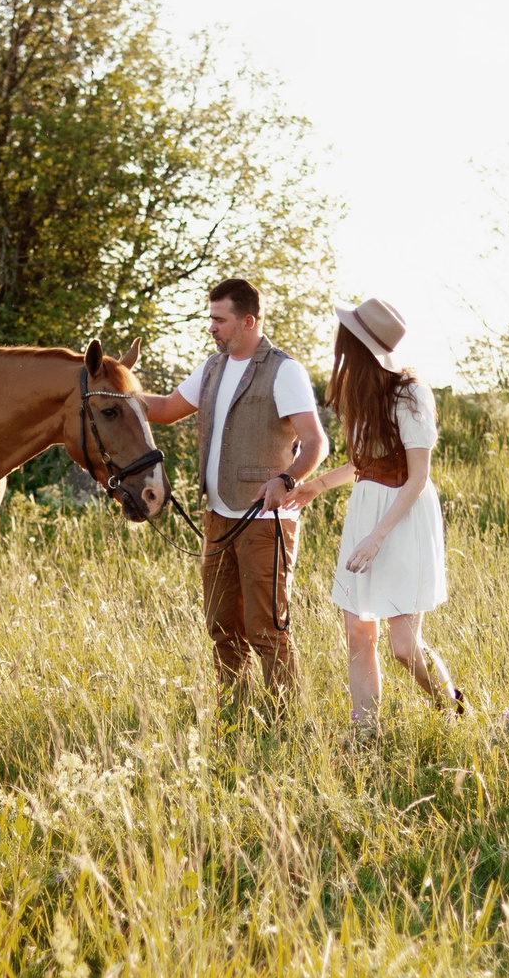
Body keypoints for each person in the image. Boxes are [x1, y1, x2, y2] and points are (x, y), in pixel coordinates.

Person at [138, 278, 327, 696]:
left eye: (219, 320)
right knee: (222, 626)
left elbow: (316, 442)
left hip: (264, 522)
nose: (212, 328)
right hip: (217, 520)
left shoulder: (284, 370)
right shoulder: (212, 367)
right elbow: (168, 410)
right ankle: (235, 713)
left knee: (267, 631)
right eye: (211, 319)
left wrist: (286, 479)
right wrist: (117, 392)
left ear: (248, 320)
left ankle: (284, 724)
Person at [284, 297, 467, 727]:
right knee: (358, 633)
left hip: (402, 518)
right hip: (366, 511)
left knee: (404, 647)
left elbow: (417, 475)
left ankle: (453, 707)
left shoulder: (411, 394)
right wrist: (317, 485)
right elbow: (364, 463)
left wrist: (377, 537)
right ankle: (365, 735)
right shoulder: (361, 394)